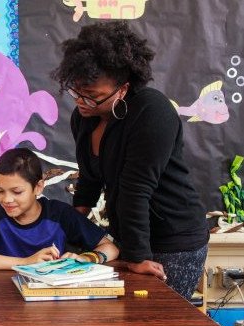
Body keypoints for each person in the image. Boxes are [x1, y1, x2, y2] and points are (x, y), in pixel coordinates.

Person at [51, 21, 209, 300]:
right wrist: (71, 225)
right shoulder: (84, 118)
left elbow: (136, 189)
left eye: (94, 97)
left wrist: (137, 257)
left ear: (123, 89)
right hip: (130, 236)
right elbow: (89, 176)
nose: (82, 103)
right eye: (77, 93)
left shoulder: (152, 111)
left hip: (173, 239)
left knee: (157, 322)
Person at [0, 148, 119, 270]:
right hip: (4, 299)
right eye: (0, 191)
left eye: (17, 192)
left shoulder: (60, 214)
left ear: (38, 187)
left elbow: (110, 248)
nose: (6, 199)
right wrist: (26, 262)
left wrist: (89, 258)